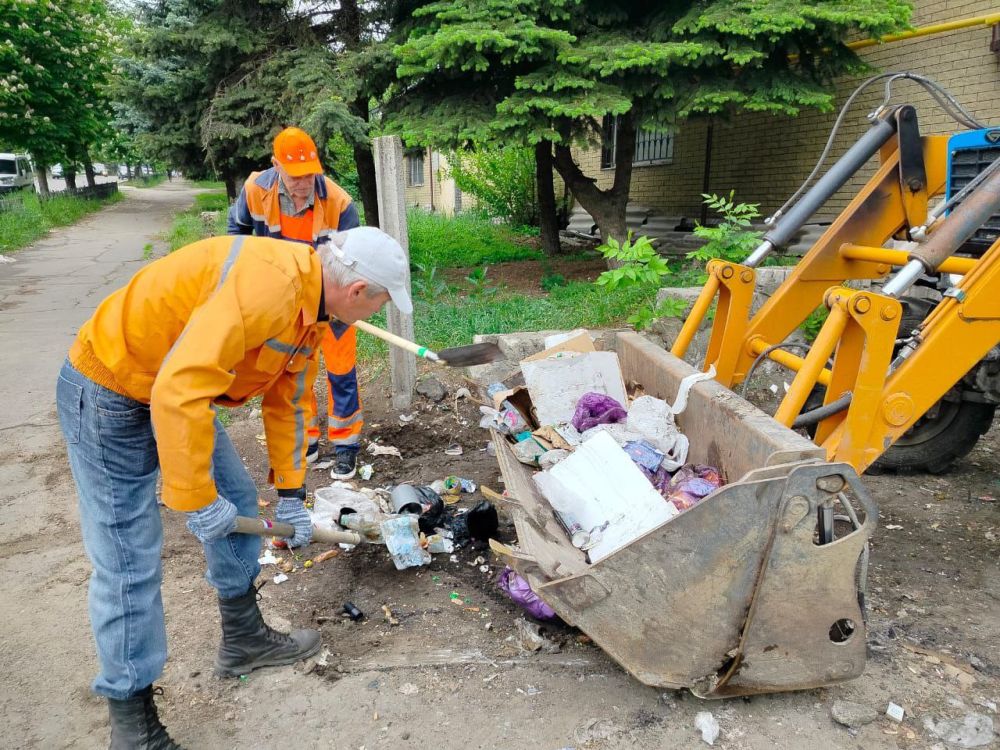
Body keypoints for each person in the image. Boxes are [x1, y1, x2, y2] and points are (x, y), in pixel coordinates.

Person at [57, 227, 412, 749]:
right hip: (111, 387)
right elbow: (178, 390)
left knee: (240, 502)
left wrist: (291, 496)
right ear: (357, 291)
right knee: (128, 560)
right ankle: (132, 725)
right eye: (379, 304)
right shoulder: (268, 288)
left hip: (175, 388)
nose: (374, 315)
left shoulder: (313, 305)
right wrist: (197, 500)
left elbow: (288, 400)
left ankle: (244, 638)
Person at [228, 126, 365, 480]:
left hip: (330, 294)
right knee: (295, 371)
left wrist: (341, 303)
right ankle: (307, 440)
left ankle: (346, 444)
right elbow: (237, 238)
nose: (304, 183)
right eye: (295, 177)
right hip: (284, 299)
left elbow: (354, 259)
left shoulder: (338, 202)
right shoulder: (255, 191)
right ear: (275, 165)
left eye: (310, 175)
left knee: (341, 369)